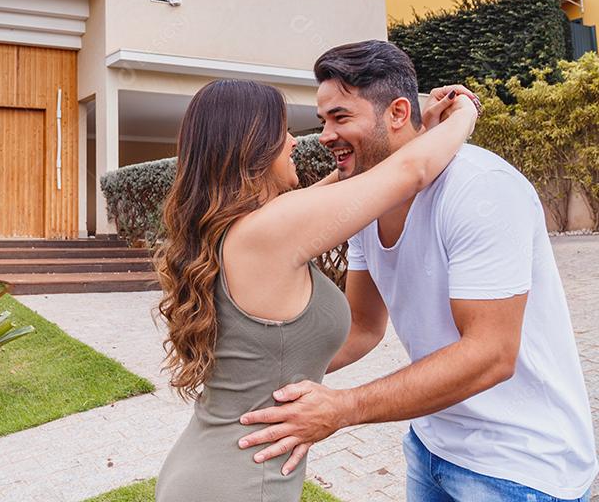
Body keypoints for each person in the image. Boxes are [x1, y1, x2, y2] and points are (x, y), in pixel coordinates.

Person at [237, 40, 597, 502]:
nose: (324, 135)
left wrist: (343, 408)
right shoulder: (364, 200)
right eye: (323, 120)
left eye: (340, 117)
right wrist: (272, 377)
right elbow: (363, 325)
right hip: (431, 445)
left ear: (397, 112)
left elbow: (491, 353)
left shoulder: (479, 188)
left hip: (519, 465)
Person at [154, 75, 477, 502]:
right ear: (252, 146)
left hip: (209, 466)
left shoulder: (237, 229)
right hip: (240, 483)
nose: (294, 142)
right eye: (281, 131)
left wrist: (417, 132)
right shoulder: (268, 232)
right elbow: (409, 172)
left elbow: (347, 185)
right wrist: (464, 114)